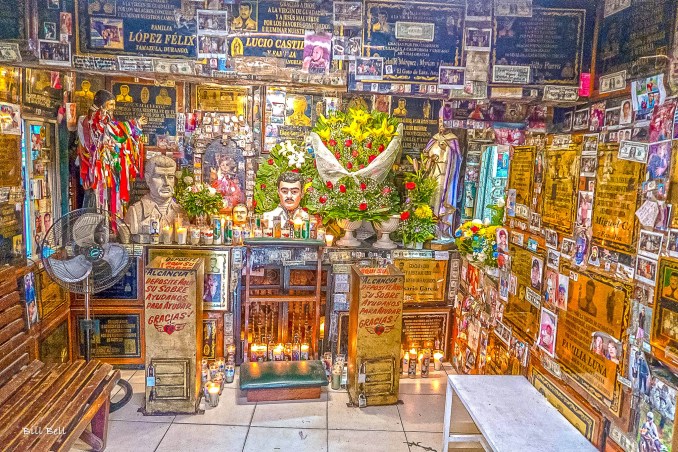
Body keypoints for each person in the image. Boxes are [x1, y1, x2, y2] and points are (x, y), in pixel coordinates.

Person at [124, 156, 186, 236]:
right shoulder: (135, 212)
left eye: (170, 177)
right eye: (160, 177)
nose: (166, 183)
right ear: (148, 179)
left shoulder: (181, 212)